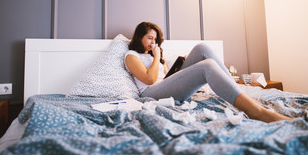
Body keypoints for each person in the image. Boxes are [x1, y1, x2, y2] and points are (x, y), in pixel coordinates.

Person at [125, 22, 292, 123]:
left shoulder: (155, 56)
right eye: (149, 38)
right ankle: (257, 112)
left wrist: (179, 67)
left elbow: (166, 76)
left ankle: (239, 93)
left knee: (201, 48)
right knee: (207, 65)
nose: (153, 42)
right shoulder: (131, 56)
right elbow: (149, 79)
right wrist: (157, 57)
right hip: (151, 93)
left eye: (155, 39)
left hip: (166, 87)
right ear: (139, 37)